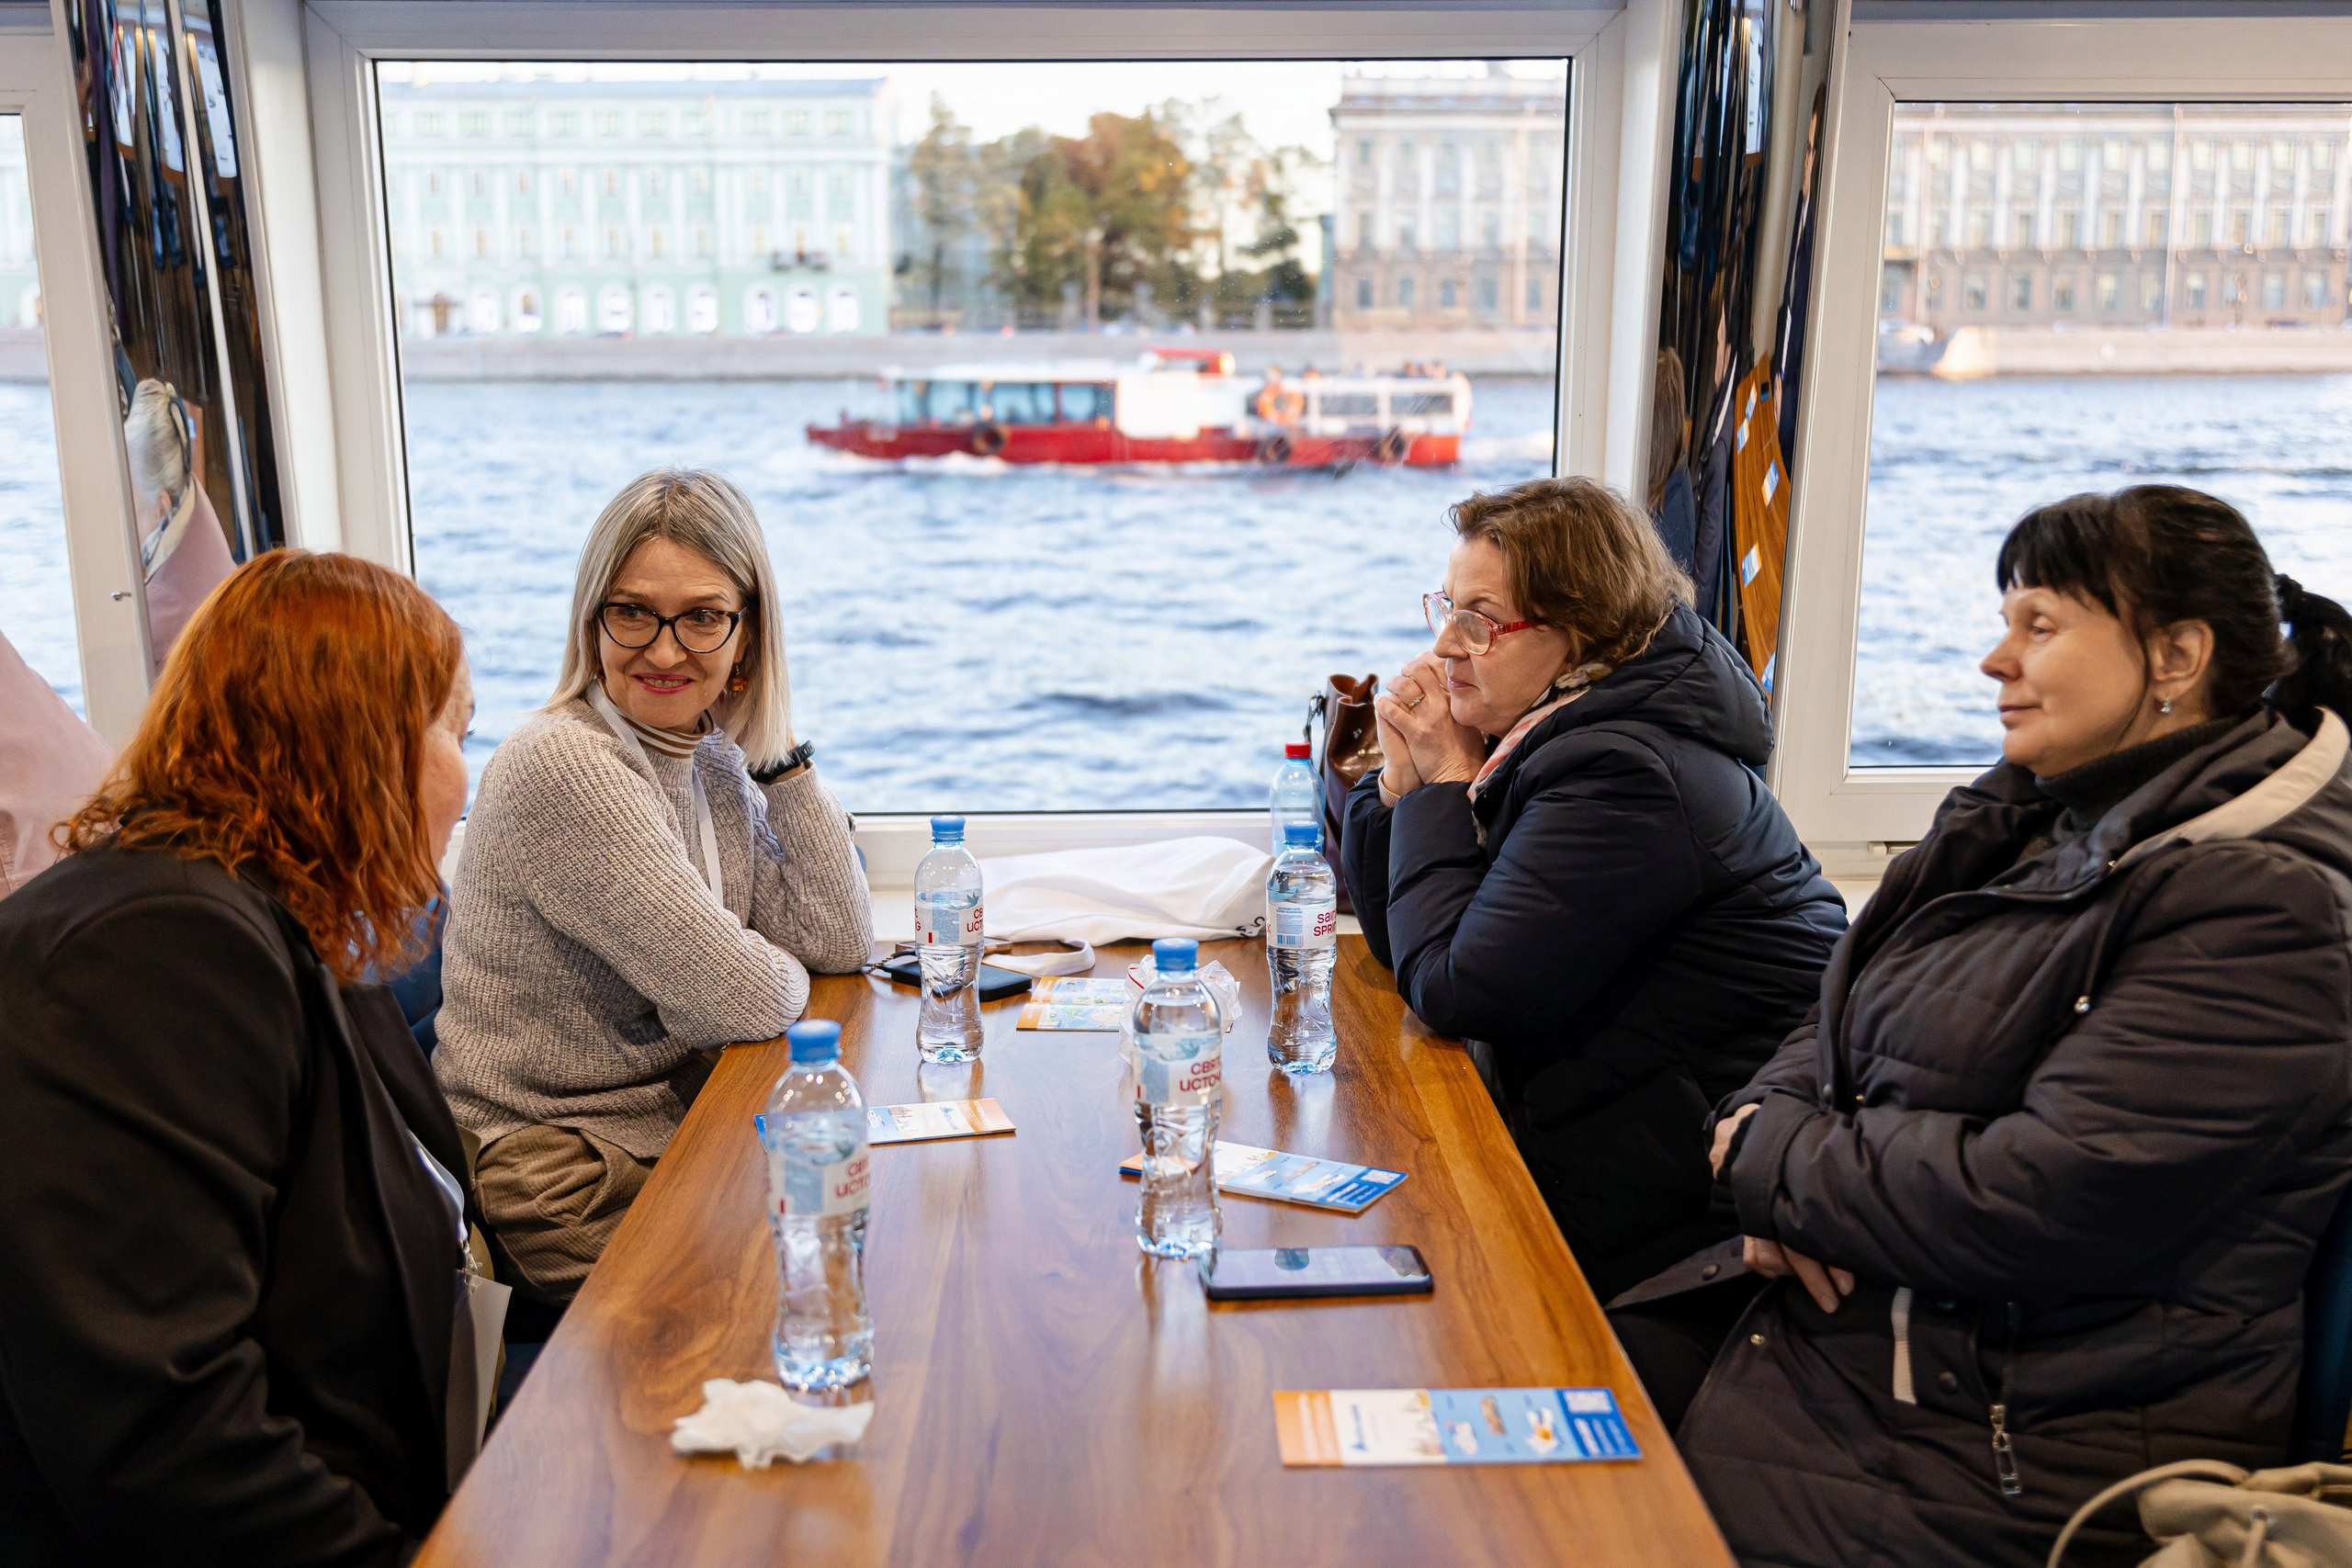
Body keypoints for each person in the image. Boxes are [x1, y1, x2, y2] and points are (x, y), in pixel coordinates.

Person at [1655, 486, 2352, 1568]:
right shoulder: (2021, 816)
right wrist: (1770, 1147)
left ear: (2176, 658)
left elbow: (2029, 1200)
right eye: (2003, 623)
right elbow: (1835, 1016)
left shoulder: (2264, 907)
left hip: (1999, 1454)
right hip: (1849, 1357)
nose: (1995, 660)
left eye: (2039, 626)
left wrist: (1769, 1163)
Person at [0, 549, 485, 1564]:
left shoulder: (287, 920)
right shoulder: (157, 947)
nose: (464, 777)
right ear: (362, 740)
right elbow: (160, 1428)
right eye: (456, 730)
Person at [1342, 476, 1847, 1302]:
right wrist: (1401, 787)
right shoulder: (1543, 735)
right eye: (1447, 610)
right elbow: (1407, 943)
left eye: (1480, 621)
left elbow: (1454, 988)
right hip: (1613, 1151)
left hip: (1699, 1216)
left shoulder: (1624, 773)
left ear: (1575, 632)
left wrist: (1446, 784)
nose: (1445, 646)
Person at [435, 468, 870, 1308]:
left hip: (674, 1132)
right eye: (633, 612)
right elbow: (742, 996)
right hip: (561, 1174)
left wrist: (776, 751)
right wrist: (749, 966)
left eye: (703, 617)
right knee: (800, 1289)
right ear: (591, 619)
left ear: (748, 635)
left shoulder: (710, 757)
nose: (665, 650)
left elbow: (838, 939)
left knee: (860, 1233)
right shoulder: (566, 763)